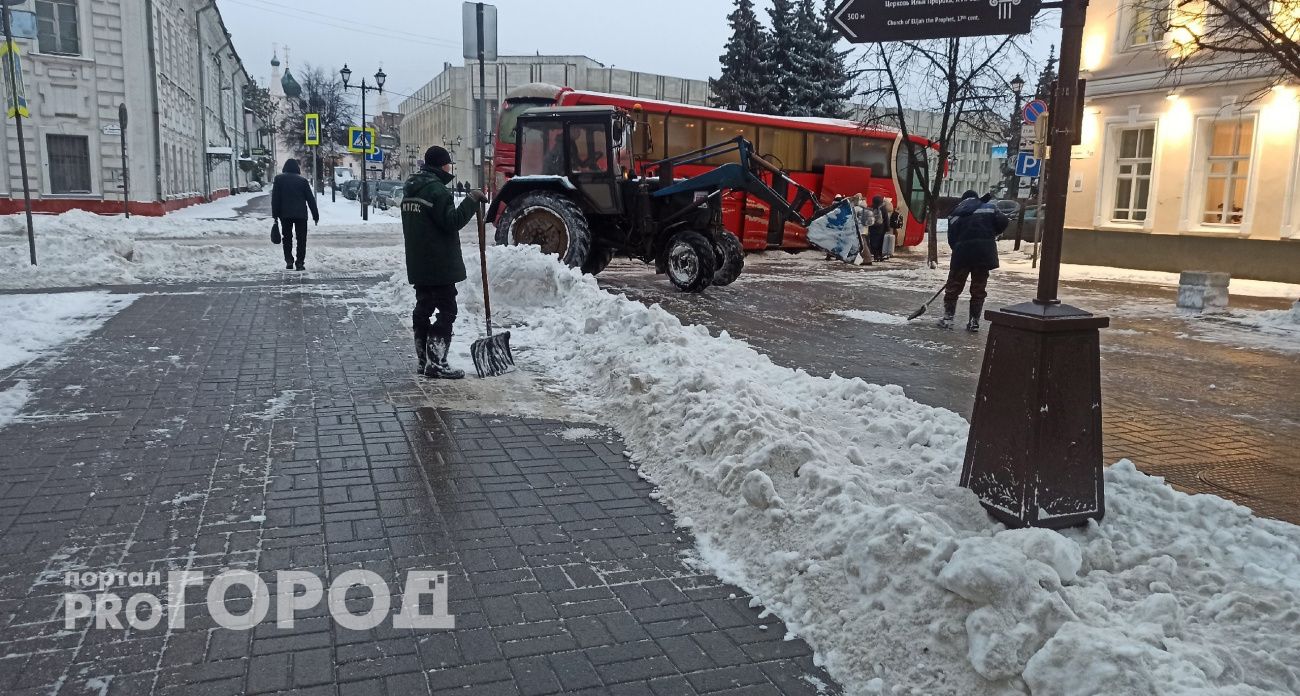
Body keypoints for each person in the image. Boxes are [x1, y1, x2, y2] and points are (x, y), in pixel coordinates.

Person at [402, 146, 487, 379]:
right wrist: (471, 200)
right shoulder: (436, 191)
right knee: (447, 310)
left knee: (423, 308)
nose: (450, 167)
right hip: (438, 264)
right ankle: (437, 363)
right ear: (442, 165)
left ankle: (424, 361)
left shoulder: (410, 188)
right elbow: (452, 221)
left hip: (419, 262)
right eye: (448, 163)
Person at [940, 190, 1008, 332]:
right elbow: (1003, 221)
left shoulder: (955, 212)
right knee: (978, 288)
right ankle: (974, 322)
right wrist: (991, 233)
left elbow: (951, 238)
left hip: (962, 254)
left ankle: (948, 319)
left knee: (953, 287)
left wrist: (959, 248)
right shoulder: (989, 207)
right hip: (984, 254)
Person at [271, 159, 319, 271]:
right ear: (297, 168)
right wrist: (315, 215)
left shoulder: (279, 179)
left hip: (285, 215)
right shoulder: (302, 181)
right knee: (301, 239)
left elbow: (275, 199)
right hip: (301, 215)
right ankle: (300, 262)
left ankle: (289, 260)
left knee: (287, 238)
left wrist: (275, 215)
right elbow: (310, 199)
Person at [867, 195, 889, 262]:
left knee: (873, 242)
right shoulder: (883, 208)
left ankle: (875, 255)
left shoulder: (870, 208)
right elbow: (886, 219)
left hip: (872, 228)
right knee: (880, 242)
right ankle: (879, 256)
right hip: (881, 228)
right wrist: (887, 228)